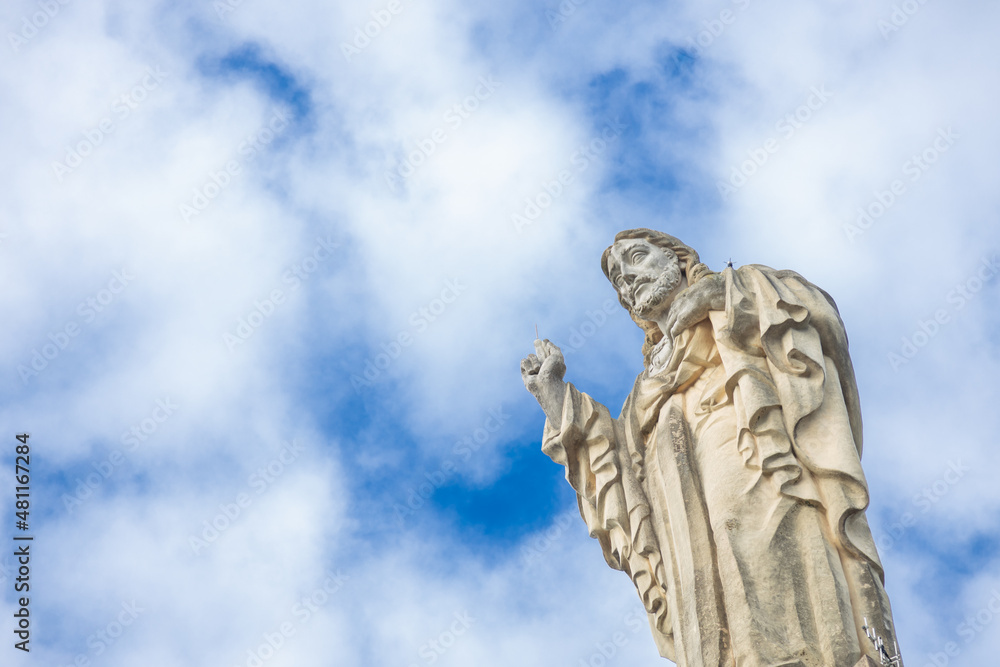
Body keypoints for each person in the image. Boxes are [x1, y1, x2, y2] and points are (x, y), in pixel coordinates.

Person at [521, 229, 900, 667]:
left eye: (638, 258)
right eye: (619, 281)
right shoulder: (643, 393)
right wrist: (554, 395)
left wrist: (721, 294)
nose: (628, 279)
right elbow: (621, 484)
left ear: (679, 260)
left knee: (777, 577)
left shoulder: (742, 291)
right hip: (685, 526)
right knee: (712, 610)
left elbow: (812, 313)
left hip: (766, 477)